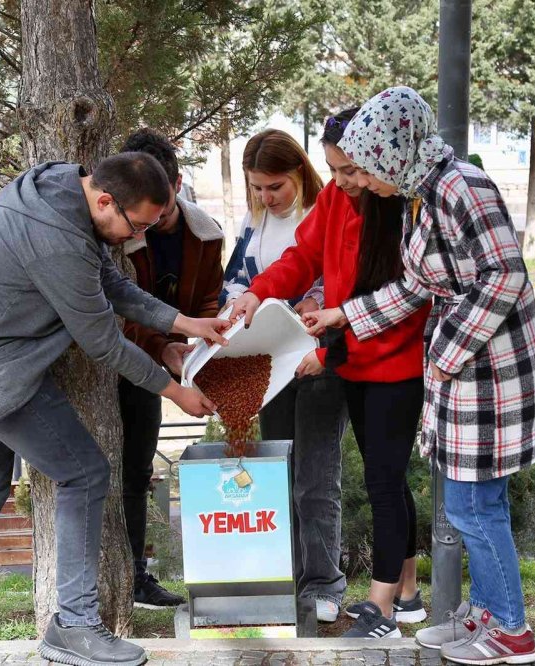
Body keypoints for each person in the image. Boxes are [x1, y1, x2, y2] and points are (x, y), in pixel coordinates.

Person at [0, 153, 229, 666]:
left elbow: (110, 285)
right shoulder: (56, 239)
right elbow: (103, 342)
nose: (135, 237)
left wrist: (185, 323)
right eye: (136, 226)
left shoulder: (63, 190)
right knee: (86, 475)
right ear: (107, 200)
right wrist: (175, 390)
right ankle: (74, 624)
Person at [304, 87, 535, 663]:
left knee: (471, 507)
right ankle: (490, 616)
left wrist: (445, 354)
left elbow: (505, 277)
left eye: (367, 170)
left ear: (394, 155)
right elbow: (417, 286)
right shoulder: (425, 194)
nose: (362, 183)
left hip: (490, 373)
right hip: (470, 370)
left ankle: (511, 630)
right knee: (473, 503)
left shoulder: (459, 186)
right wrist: (345, 314)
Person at [229, 109, 430, 639]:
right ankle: (405, 595)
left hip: (387, 361)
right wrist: (258, 292)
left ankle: (381, 607)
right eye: (335, 170)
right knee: (387, 481)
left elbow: (400, 300)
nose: (343, 181)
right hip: (350, 358)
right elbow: (303, 256)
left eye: (350, 170)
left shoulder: (396, 208)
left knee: (382, 482)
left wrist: (329, 349)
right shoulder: (338, 200)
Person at [220, 128, 350, 624]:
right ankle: (287, 574)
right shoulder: (253, 224)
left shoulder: (325, 212)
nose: (265, 197)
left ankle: (324, 581)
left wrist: (312, 312)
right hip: (270, 365)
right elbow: (235, 282)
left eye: (274, 186)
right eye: (257, 187)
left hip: (318, 363)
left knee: (316, 479)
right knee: (280, 473)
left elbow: (330, 281)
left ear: (298, 172)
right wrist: (235, 307)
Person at [118, 129, 224, 609]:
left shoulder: (206, 233)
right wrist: (165, 347)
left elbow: (205, 299)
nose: (149, 219)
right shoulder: (121, 235)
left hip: (166, 360)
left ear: (176, 184)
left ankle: (137, 577)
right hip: (120, 357)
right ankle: (113, 576)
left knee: (138, 471)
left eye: (159, 204)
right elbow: (120, 311)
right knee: (105, 472)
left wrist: (189, 347)